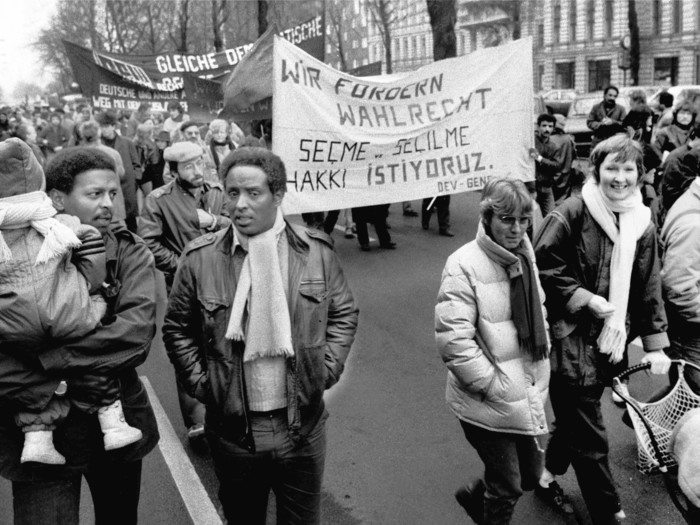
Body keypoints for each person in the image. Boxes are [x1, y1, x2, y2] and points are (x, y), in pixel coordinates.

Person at [162, 146, 359, 524]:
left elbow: (344, 313)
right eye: (232, 193)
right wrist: (206, 387)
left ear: (279, 195)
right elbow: (177, 328)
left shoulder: (316, 252)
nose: (239, 204)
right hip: (234, 433)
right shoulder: (200, 257)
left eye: (254, 193)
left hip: (302, 429)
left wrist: (325, 371)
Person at [0, 146, 159, 524]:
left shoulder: (131, 253)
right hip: (39, 438)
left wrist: (46, 360)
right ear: (56, 198)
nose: (108, 204)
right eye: (94, 194)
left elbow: (133, 336)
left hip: (116, 428)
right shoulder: (7, 252)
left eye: (113, 193)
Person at [533, 135, 671, 525]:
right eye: (612, 167)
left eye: (629, 169)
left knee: (578, 419)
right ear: (596, 170)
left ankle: (544, 476)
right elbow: (541, 268)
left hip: (609, 342)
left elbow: (648, 285)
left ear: (640, 175)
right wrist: (584, 297)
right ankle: (609, 511)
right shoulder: (571, 211)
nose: (620, 177)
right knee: (591, 435)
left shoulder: (642, 221)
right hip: (569, 339)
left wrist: (655, 345)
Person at [435, 177, 550, 524]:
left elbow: (539, 313)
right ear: (487, 218)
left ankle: (476, 497)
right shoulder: (463, 264)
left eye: (524, 220)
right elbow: (453, 341)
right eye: (507, 220)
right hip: (485, 398)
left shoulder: (524, 256)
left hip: (525, 389)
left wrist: (541, 372)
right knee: (509, 485)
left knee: (531, 476)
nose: (517, 229)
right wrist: (493, 384)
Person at [138, 141, 230, 443]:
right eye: (189, 166)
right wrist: (184, 266)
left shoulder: (217, 192)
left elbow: (241, 224)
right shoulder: (158, 200)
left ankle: (230, 412)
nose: (197, 170)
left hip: (225, 283)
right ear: (174, 171)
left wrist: (215, 221)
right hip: (184, 288)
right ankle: (197, 421)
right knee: (188, 350)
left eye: (200, 163)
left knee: (226, 347)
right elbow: (149, 243)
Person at [660, 174, 700, 394]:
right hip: (692, 334)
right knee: (690, 400)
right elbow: (680, 289)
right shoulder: (694, 223)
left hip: (689, 331)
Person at [96, 110, 142, 233]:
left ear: (113, 126)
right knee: (112, 220)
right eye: (101, 127)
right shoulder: (99, 145)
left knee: (131, 220)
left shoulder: (127, 142)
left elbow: (136, 164)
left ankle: (135, 244)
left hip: (127, 187)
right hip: (110, 188)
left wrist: (135, 182)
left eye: (106, 126)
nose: (103, 130)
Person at [529, 113, 563, 216]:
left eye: (550, 126)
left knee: (550, 217)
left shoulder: (554, 147)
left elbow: (557, 166)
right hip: (531, 187)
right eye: (544, 126)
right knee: (528, 217)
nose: (547, 129)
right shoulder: (531, 142)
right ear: (538, 127)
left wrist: (539, 158)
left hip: (546, 187)